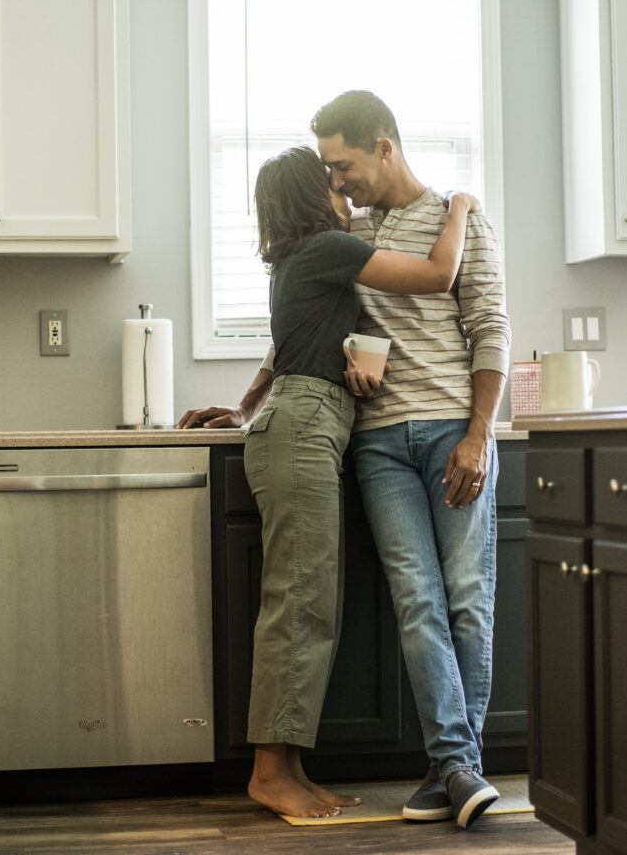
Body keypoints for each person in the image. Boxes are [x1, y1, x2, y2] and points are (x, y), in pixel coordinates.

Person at [180, 145, 477, 820]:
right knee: (301, 603)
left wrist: (247, 406)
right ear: (312, 198)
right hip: (307, 426)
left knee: (308, 601)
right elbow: (438, 274)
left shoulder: (297, 259)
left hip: (305, 418)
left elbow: (288, 351)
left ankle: (290, 767)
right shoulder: (329, 246)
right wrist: (459, 206)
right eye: (329, 181)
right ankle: (268, 772)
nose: (341, 187)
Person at [318, 90, 510, 830]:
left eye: (345, 165)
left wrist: (479, 433)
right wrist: (349, 355)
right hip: (378, 443)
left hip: (449, 431)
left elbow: (490, 325)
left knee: (466, 596)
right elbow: (326, 323)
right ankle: (459, 767)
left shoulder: (460, 216)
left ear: (384, 146)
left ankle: (452, 766)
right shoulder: (350, 232)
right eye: (330, 171)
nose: (340, 182)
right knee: (418, 600)